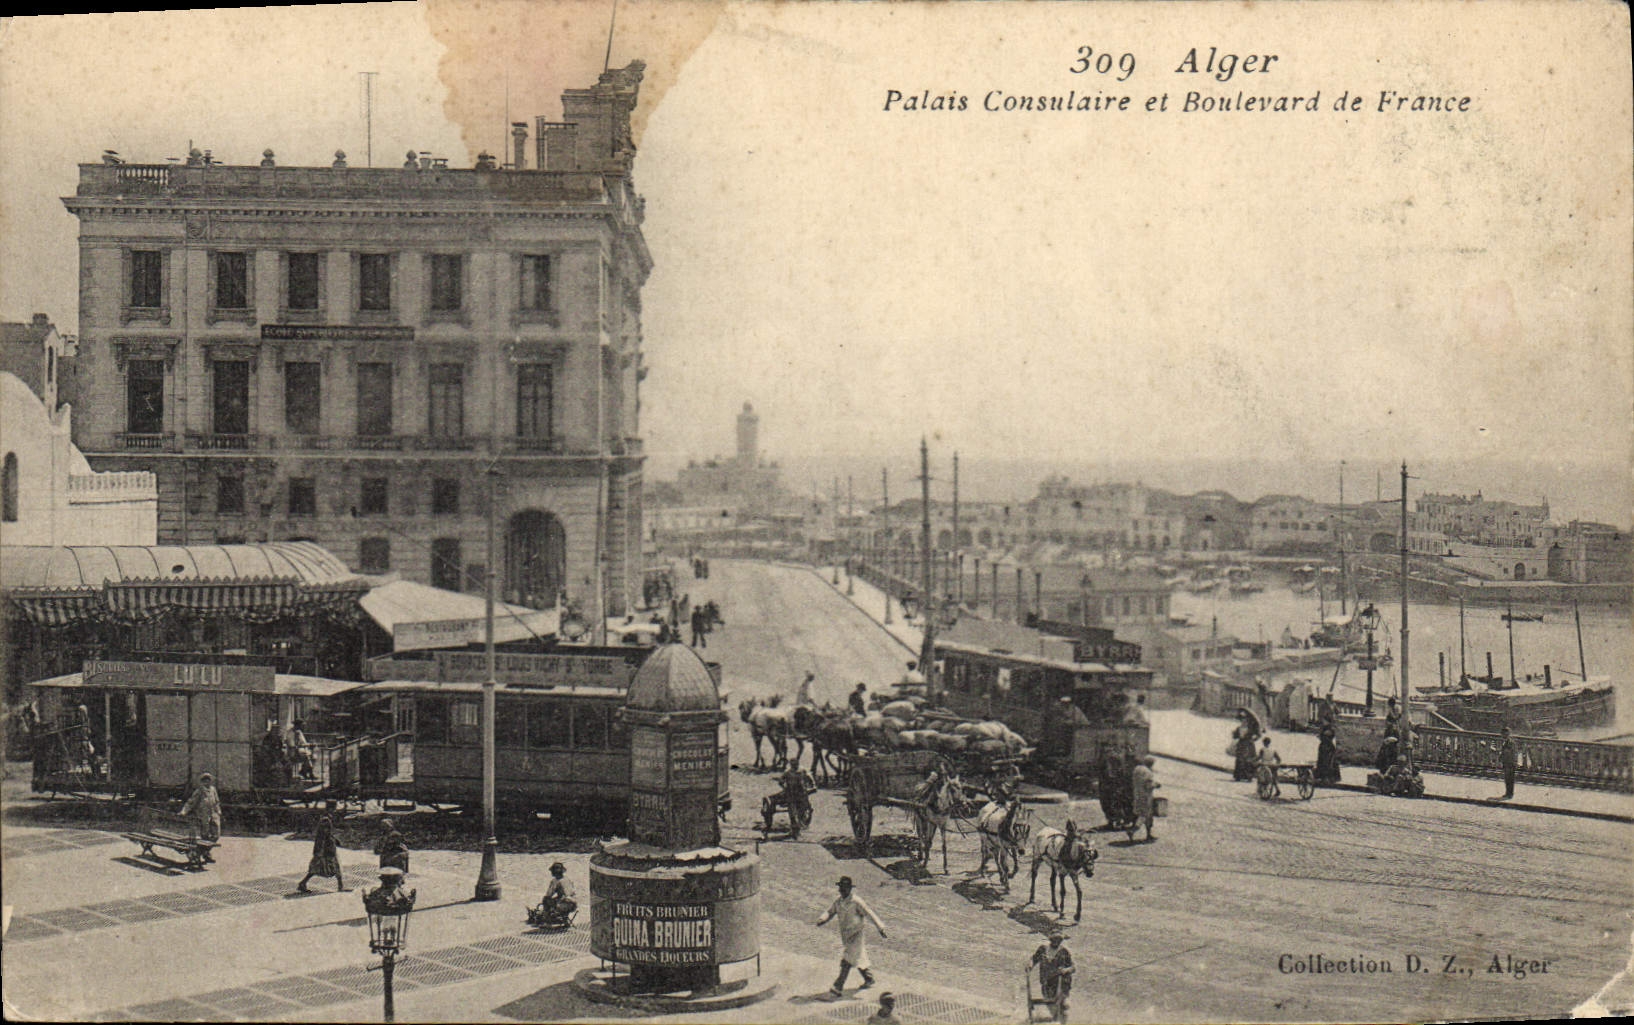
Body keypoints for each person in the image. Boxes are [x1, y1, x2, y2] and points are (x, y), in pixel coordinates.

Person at [816, 876, 887, 997]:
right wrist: (822, 919)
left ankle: (838, 987)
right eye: (841, 888)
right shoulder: (838, 902)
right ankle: (869, 979)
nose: (842, 890)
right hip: (847, 936)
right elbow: (830, 911)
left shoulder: (856, 902)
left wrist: (880, 927)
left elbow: (869, 913)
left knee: (847, 960)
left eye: (845, 888)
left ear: (850, 889)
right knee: (858, 958)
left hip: (857, 934)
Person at [1030, 929, 1075, 1023]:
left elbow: (1073, 967)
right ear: (1050, 939)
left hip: (1061, 983)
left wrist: (1066, 970)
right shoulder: (1043, 949)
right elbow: (1034, 959)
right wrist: (1030, 965)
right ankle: (1055, 1019)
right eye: (1054, 939)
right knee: (1050, 1004)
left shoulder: (1064, 951)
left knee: (1064, 1006)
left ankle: (1064, 1022)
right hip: (1046, 982)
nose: (1056, 941)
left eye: (1059, 940)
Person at [298, 814, 346, 892]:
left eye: (328, 827)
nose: (327, 829)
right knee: (316, 870)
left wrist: (336, 841)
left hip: (331, 855)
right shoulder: (321, 836)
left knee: (336, 870)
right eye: (325, 827)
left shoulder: (327, 835)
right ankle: (303, 883)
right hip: (326, 856)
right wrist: (319, 855)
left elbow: (331, 839)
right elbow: (320, 846)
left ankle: (340, 886)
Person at [179, 772, 221, 857]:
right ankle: (206, 853)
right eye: (204, 780)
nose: (207, 782)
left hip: (214, 814)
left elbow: (216, 802)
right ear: (202, 782)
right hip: (204, 815)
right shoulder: (199, 791)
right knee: (205, 835)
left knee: (216, 834)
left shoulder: (213, 789)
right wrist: (184, 811)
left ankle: (205, 850)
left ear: (210, 781)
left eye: (208, 780)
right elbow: (191, 802)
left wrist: (219, 811)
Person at [1129, 755, 1159, 842]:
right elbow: (1148, 785)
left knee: (1147, 816)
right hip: (1146, 797)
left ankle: (1148, 834)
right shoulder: (1148, 773)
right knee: (1144, 815)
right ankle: (1132, 831)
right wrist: (1156, 785)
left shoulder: (1137, 769)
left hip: (1137, 794)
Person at [1315, 719, 1341, 784]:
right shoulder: (1324, 728)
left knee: (1329, 763)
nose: (1323, 722)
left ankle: (1330, 778)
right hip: (1323, 747)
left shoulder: (1330, 728)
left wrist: (1322, 735)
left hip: (1328, 747)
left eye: (1325, 721)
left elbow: (1329, 735)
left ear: (1328, 721)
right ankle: (1322, 777)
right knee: (1322, 762)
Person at [1498, 726, 1518, 800]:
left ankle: (1509, 794)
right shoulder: (1506, 742)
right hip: (1507, 763)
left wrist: (1514, 762)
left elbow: (1513, 753)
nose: (1503, 736)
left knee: (1510, 779)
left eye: (1505, 734)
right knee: (1507, 779)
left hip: (1510, 763)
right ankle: (1508, 793)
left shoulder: (1511, 743)